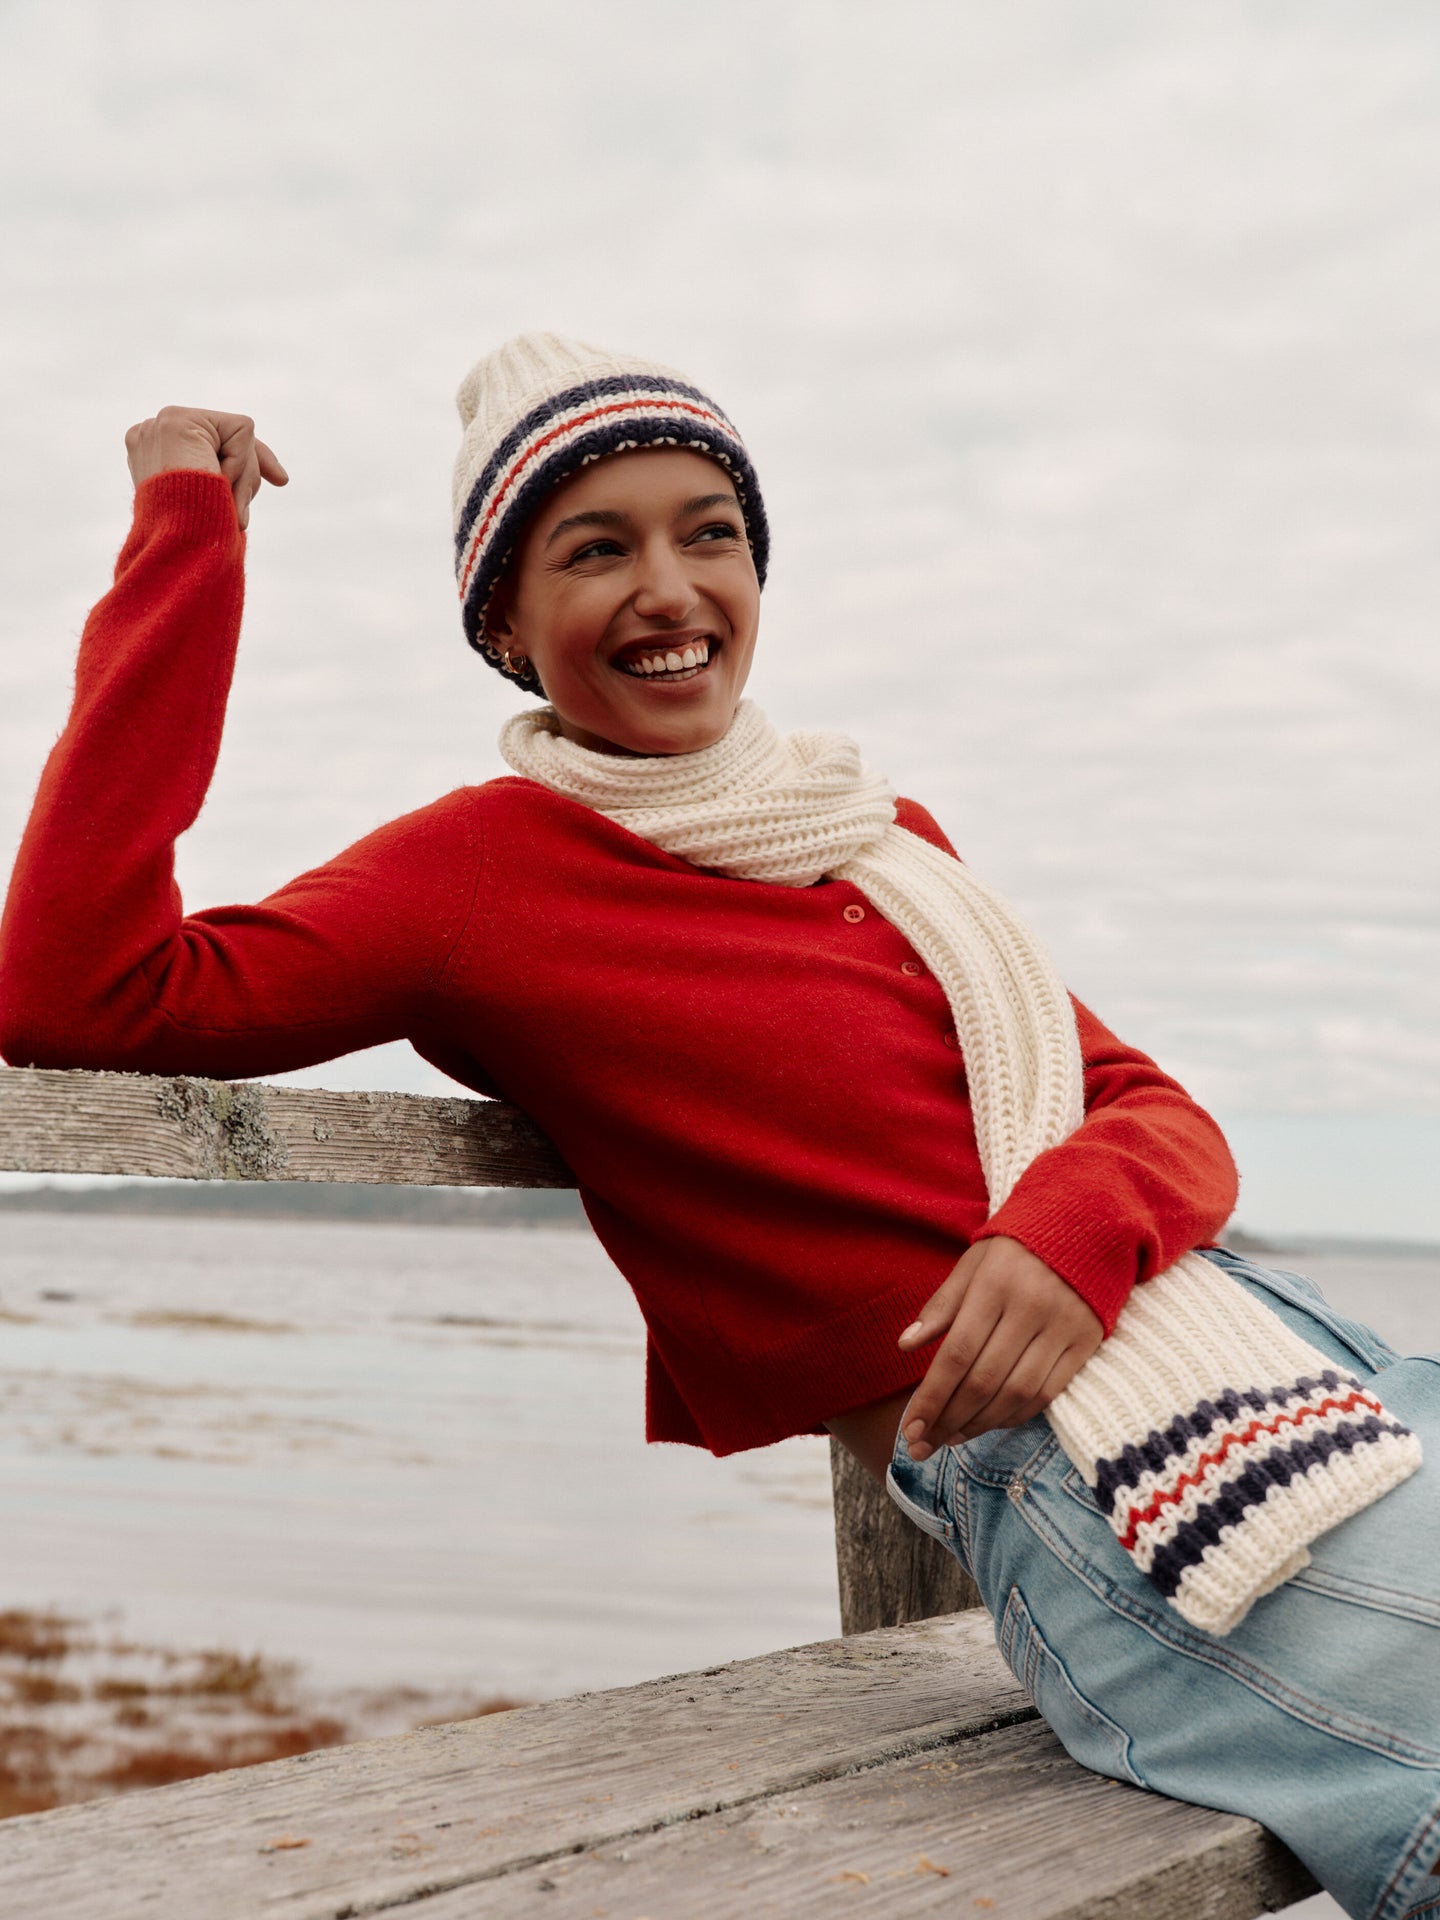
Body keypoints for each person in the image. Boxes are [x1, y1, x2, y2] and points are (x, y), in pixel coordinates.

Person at [0, 335, 1436, 1920]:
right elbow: (77, 991)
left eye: (710, 532)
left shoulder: (877, 834)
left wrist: (1071, 1229)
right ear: (505, 619)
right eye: (595, 549)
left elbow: (1146, 1104)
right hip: (1086, 1481)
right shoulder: (477, 877)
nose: (669, 587)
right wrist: (185, 550)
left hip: (1298, 1361)